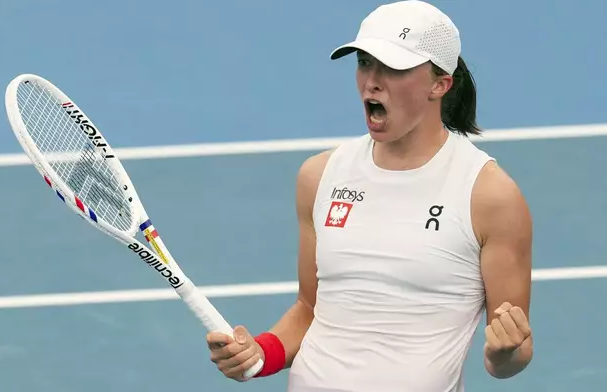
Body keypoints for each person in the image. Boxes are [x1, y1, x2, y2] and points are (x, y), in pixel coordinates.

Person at [206, 1, 534, 391]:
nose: (372, 82)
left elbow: (511, 353)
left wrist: (504, 351)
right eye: (364, 62)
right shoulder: (320, 176)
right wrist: (260, 353)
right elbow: (310, 310)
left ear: (440, 83)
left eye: (393, 68)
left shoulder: (489, 195)